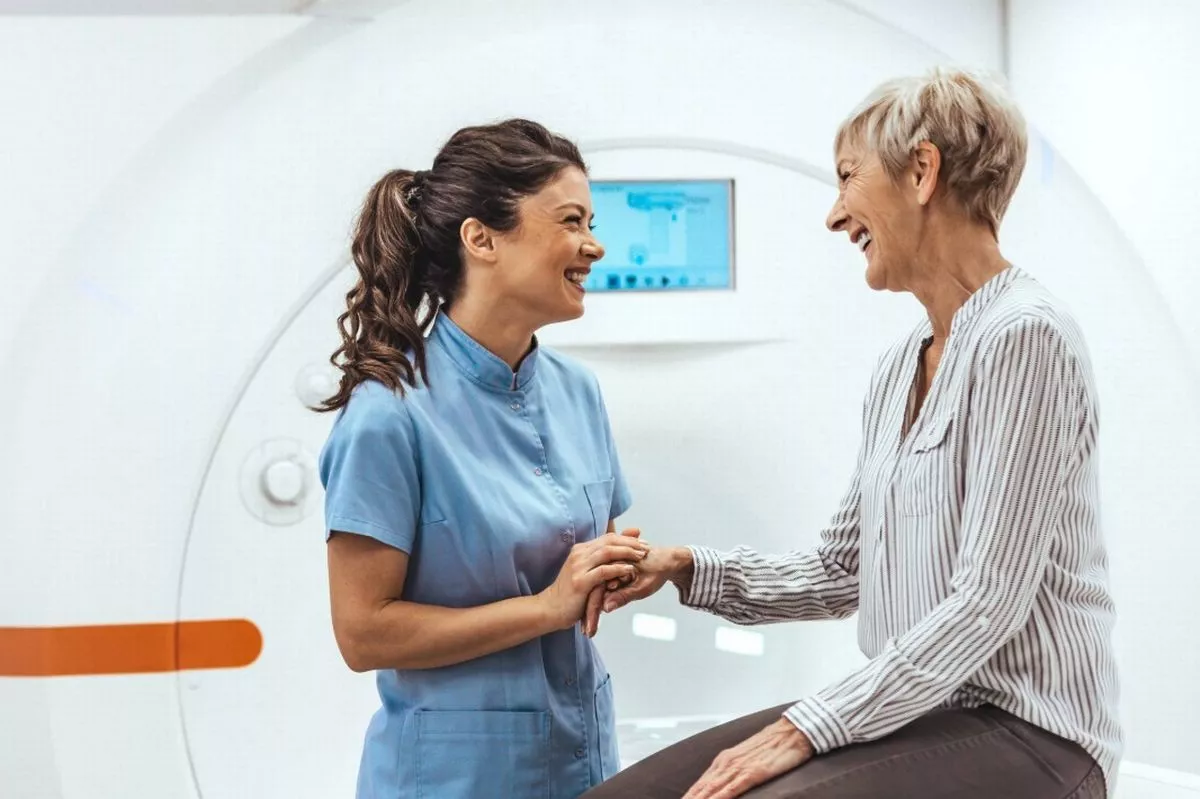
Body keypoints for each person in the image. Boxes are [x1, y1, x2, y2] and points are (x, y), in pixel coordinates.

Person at [582, 67, 1122, 799]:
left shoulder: (1025, 336)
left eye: (847, 178)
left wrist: (804, 727)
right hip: (920, 714)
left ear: (922, 171)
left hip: (1033, 733)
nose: (835, 215)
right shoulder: (900, 366)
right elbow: (841, 571)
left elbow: (987, 600)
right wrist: (683, 565)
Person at [314, 118, 647, 799]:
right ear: (481, 237)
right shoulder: (391, 412)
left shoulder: (579, 394)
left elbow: (579, 565)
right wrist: (549, 606)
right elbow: (363, 632)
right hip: (455, 777)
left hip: (580, 757)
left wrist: (614, 568)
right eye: (571, 220)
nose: (595, 243)